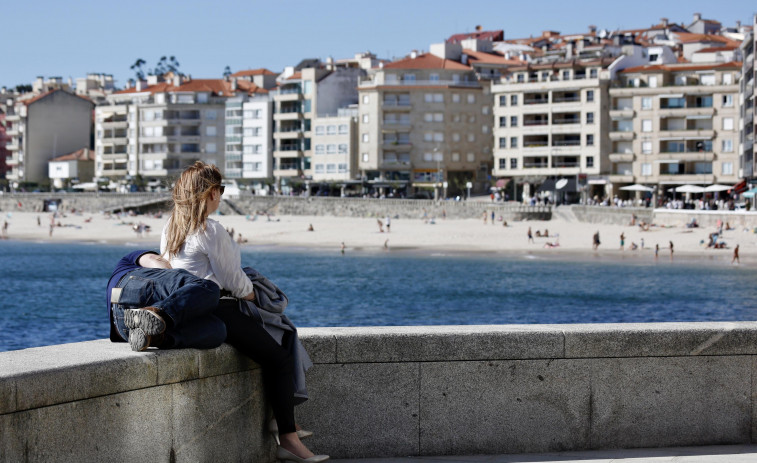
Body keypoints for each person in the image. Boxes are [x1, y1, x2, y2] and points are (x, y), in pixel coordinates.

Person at [160, 162, 327, 463]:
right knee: (279, 356)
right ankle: (287, 440)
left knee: (275, 343)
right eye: (220, 190)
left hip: (192, 309)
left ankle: (283, 418)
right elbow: (232, 281)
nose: (221, 196)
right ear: (209, 193)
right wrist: (257, 296)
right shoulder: (210, 229)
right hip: (219, 308)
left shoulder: (171, 227)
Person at [107, 250, 226, 351]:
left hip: (122, 327)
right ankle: (159, 313)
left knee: (218, 329)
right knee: (207, 287)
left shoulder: (121, 267)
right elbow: (154, 260)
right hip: (131, 286)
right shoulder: (129, 259)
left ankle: (154, 337)